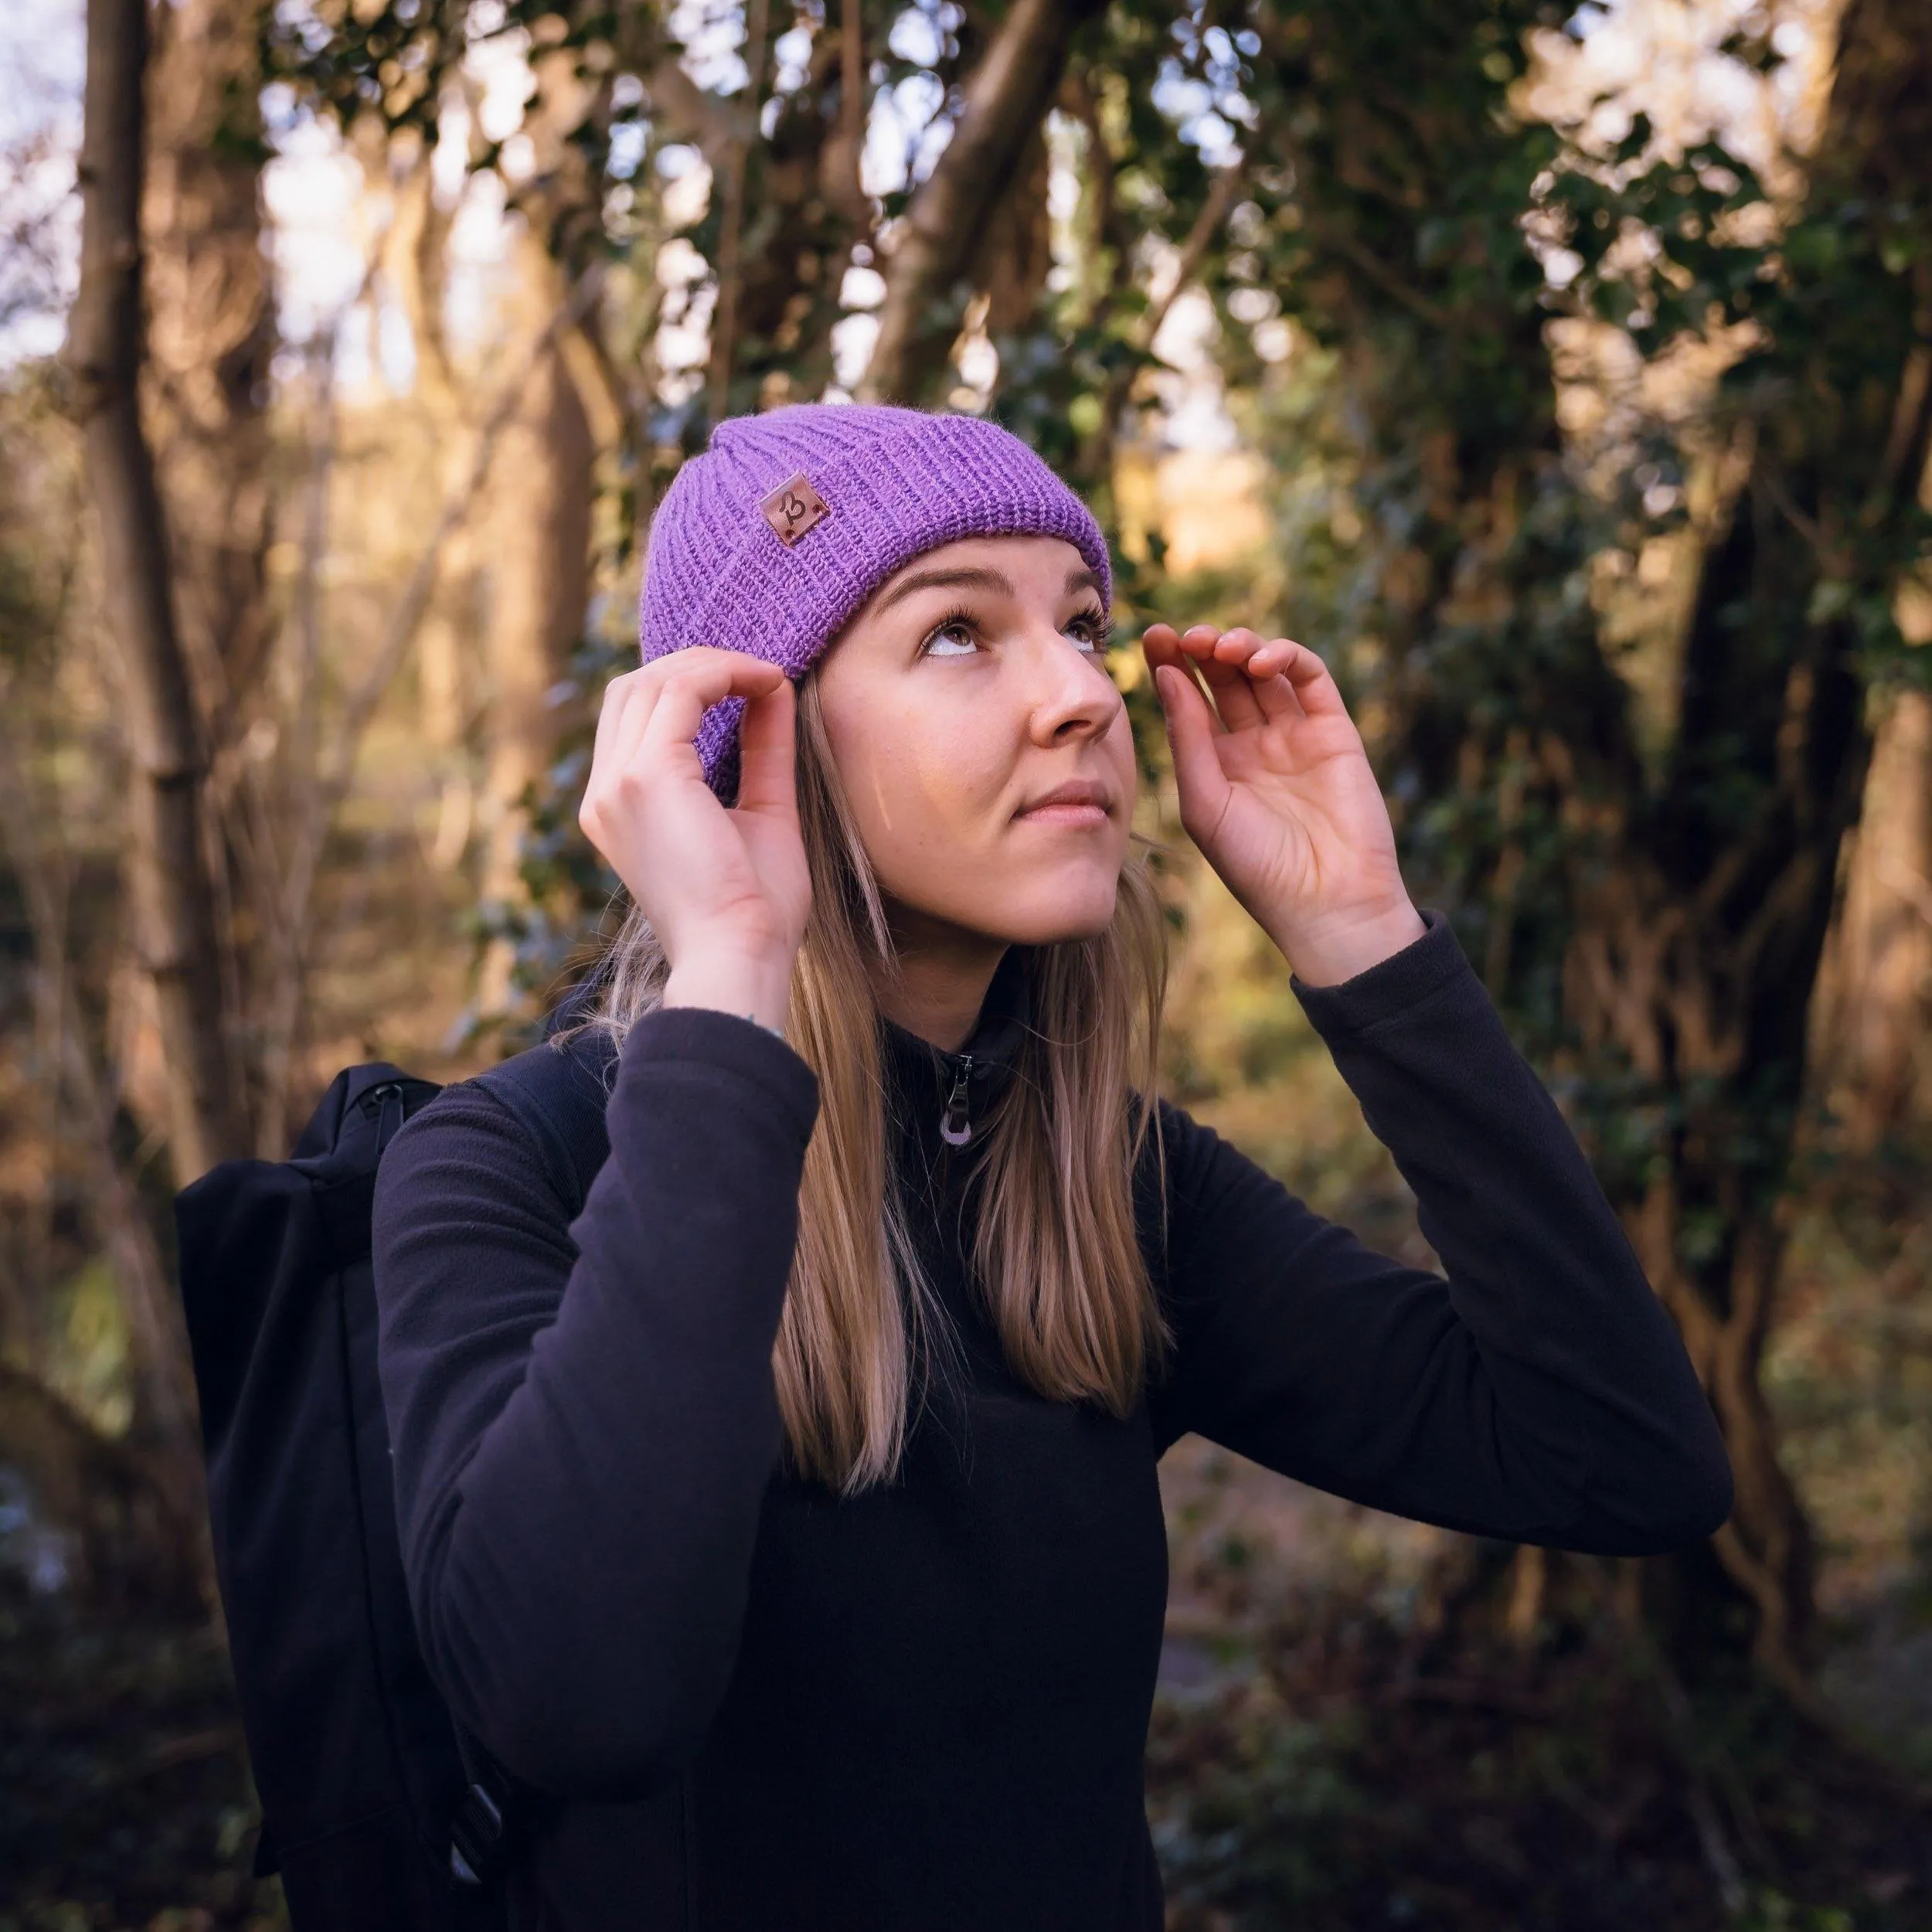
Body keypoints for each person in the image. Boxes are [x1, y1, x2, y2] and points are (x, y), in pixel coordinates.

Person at [370, 403, 1732, 1930]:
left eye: (1081, 627)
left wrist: (1361, 936)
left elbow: (1619, 1455)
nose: (1080, 694)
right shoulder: (506, 1168)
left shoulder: (1108, 1186)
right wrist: (731, 983)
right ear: (749, 739)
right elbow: (580, 1698)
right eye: (956, 632)